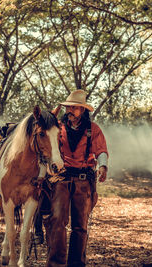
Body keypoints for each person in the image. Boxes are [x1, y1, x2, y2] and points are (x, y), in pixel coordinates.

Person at [43, 89, 108, 267]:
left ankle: (76, 264)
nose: (70, 111)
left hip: (83, 181)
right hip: (61, 180)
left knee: (80, 226)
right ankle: (56, 264)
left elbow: (101, 150)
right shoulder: (57, 126)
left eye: (74, 108)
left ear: (83, 110)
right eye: (68, 108)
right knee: (57, 221)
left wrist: (103, 166)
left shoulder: (93, 129)